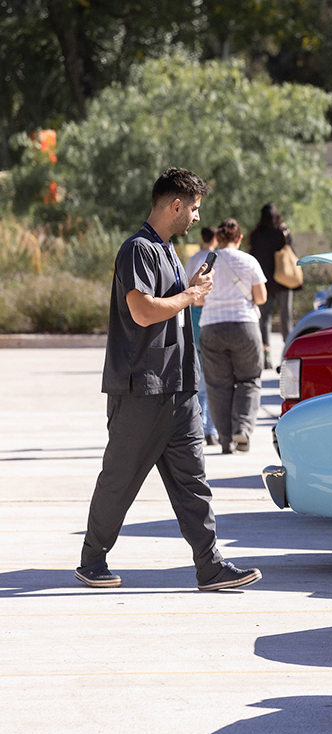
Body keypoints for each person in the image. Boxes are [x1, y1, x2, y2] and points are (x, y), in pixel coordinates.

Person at [76, 168, 262, 591]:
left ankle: (210, 567)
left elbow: (169, 305)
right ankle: (92, 560)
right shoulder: (137, 249)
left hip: (179, 387)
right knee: (120, 479)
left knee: (193, 482)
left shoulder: (169, 251)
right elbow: (142, 311)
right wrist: (189, 296)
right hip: (142, 388)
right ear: (175, 205)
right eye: (194, 208)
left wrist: (189, 289)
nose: (197, 217)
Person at [199, 218, 268, 454]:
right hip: (244, 326)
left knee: (217, 386)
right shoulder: (249, 261)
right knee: (249, 380)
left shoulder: (204, 261)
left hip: (211, 326)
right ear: (239, 238)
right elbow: (261, 298)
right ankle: (243, 429)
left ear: (217, 238)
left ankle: (225, 440)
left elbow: (197, 298)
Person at [249, 203, 296, 369]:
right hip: (284, 281)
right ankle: (289, 353)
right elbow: (292, 253)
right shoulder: (282, 232)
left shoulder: (256, 235)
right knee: (286, 317)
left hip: (265, 282)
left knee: (264, 319)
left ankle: (266, 356)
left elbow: (252, 256)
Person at [184, 226, 219, 446]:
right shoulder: (219, 259)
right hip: (211, 314)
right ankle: (210, 429)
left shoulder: (193, 259)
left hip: (195, 312)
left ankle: (199, 424)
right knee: (211, 376)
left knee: (199, 370)